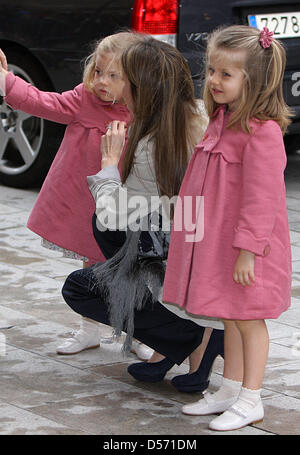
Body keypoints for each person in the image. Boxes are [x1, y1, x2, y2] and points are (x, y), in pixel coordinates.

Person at [61, 36, 225, 392]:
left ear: (141, 89)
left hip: (185, 252)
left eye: (123, 79)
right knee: (122, 230)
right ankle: (188, 334)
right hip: (199, 241)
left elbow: (113, 216)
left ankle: (186, 332)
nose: (114, 88)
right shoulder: (201, 115)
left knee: (79, 283)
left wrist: (108, 164)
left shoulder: (150, 144)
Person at [162, 25, 292, 430]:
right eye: (212, 71)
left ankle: (252, 398)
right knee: (231, 317)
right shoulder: (221, 121)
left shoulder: (262, 133)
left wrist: (248, 251)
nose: (214, 81)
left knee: (250, 320)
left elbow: (262, 200)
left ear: (253, 81)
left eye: (226, 74)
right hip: (219, 244)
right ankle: (230, 388)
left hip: (249, 252)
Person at [0, 32, 152, 360]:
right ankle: (89, 328)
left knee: (135, 269)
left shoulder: (144, 111)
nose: (102, 82)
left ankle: (141, 332)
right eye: (98, 72)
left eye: (113, 76)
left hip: (131, 207)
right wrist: (6, 81)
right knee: (92, 265)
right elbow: (43, 102)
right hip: (91, 207)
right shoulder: (84, 99)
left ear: (135, 79)